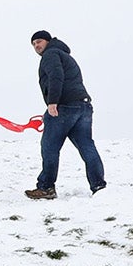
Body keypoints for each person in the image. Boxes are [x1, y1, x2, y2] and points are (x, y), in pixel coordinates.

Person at [25, 31, 105, 200]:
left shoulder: (51, 54)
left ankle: (46, 187)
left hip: (65, 107)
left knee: (50, 147)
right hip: (83, 106)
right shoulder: (64, 55)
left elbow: (56, 76)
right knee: (86, 146)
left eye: (39, 41)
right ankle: (99, 186)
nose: (36, 46)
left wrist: (52, 103)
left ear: (48, 41)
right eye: (33, 44)